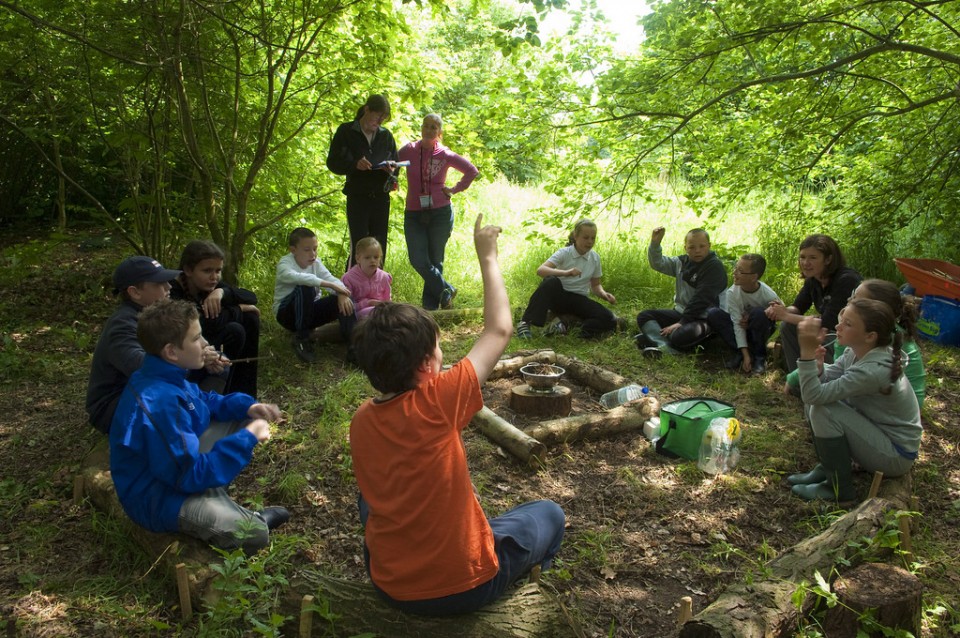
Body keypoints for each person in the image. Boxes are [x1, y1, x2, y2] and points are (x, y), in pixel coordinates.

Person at [349, 214, 565, 616]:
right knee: (548, 513)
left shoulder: (362, 419)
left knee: (371, 494)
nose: (443, 355)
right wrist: (488, 255)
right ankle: (518, 594)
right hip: (461, 587)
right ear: (425, 367)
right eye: (438, 349)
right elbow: (499, 330)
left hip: (388, 582)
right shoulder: (438, 400)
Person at [109, 299, 290, 554]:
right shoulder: (160, 402)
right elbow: (188, 474)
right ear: (171, 351)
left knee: (242, 417)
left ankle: (214, 498)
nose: (205, 343)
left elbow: (204, 402)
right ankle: (242, 516)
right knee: (254, 535)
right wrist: (249, 437)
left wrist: (247, 407)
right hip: (157, 499)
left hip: (173, 473)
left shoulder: (166, 374)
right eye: (196, 338)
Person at [787, 299, 922, 502]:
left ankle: (838, 490)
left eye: (848, 324)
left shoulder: (873, 370)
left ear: (870, 336)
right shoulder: (856, 352)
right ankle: (828, 468)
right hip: (878, 435)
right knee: (818, 403)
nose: (837, 326)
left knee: (823, 409)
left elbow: (814, 395)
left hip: (896, 454)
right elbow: (827, 381)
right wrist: (819, 367)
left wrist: (806, 354)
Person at [86, 255, 226, 434]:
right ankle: (190, 427)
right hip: (117, 404)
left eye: (167, 281)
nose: (168, 287)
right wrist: (194, 358)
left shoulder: (158, 315)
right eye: (159, 283)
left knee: (221, 364)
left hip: (148, 389)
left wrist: (205, 352)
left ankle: (197, 417)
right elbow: (141, 368)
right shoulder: (123, 325)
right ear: (135, 292)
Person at [784, 278, 926, 407]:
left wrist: (807, 355)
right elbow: (840, 368)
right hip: (873, 396)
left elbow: (837, 380)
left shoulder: (881, 343)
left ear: (874, 309)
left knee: (821, 406)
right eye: (852, 295)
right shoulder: (867, 334)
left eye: (856, 300)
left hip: (888, 413)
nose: (849, 300)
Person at [398, 113, 479, 310]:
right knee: (418, 259)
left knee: (436, 259)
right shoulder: (409, 150)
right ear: (421, 128)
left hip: (440, 212)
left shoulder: (445, 154)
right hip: (414, 212)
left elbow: (471, 171)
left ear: (439, 133)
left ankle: (430, 310)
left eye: (434, 127)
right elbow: (392, 164)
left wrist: (454, 189)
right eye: (426, 125)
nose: (429, 129)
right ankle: (446, 290)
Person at [171, 240, 260, 397]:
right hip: (186, 351)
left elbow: (251, 297)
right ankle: (221, 393)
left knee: (250, 318)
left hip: (208, 338)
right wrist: (239, 308)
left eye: (218, 271)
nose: (214, 277)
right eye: (207, 271)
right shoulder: (173, 291)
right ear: (188, 270)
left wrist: (221, 293)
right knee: (235, 330)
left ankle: (246, 394)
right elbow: (206, 322)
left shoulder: (211, 285)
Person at [765, 234, 861, 373]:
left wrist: (785, 315)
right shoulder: (813, 279)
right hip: (831, 331)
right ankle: (798, 379)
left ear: (828, 259)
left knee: (790, 323)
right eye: (802, 257)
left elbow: (828, 321)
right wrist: (780, 310)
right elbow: (798, 307)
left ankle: (826, 379)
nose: (805, 263)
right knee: (788, 325)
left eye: (813, 258)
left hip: (849, 337)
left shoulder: (846, 280)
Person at [514, 218, 619, 339]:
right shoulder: (565, 253)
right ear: (575, 236)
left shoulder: (595, 258)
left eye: (593, 238)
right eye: (586, 237)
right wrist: (566, 273)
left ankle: (573, 328)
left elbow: (595, 285)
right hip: (559, 296)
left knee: (609, 318)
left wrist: (604, 294)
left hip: (579, 299)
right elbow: (541, 270)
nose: (590, 242)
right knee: (550, 281)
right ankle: (525, 323)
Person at [326, 94, 398, 269]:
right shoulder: (346, 132)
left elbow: (396, 163)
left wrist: (391, 170)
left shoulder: (385, 135)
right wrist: (354, 165)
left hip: (381, 197)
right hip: (357, 196)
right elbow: (333, 162)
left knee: (379, 244)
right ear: (367, 110)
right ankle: (353, 288)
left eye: (383, 118)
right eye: (377, 116)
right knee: (359, 243)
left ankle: (377, 288)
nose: (379, 121)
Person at [635, 227, 727, 358]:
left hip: (706, 318)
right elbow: (658, 263)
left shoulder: (714, 267)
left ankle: (654, 339)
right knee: (645, 316)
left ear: (709, 246)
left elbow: (702, 299)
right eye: (692, 247)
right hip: (682, 313)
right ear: (686, 248)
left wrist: (681, 323)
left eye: (702, 246)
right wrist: (655, 244)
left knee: (678, 336)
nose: (697, 251)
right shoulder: (681, 262)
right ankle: (664, 346)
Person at [273, 227, 357, 363]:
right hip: (287, 315)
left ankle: (354, 347)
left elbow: (331, 279)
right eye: (307, 250)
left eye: (315, 248)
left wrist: (341, 293)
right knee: (305, 287)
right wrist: (329, 285)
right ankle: (301, 339)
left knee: (344, 299)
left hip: (309, 313)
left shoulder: (316, 264)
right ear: (293, 250)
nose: (313, 254)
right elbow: (297, 277)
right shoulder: (285, 263)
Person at [706, 253, 781, 374]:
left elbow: (782, 313)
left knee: (758, 313)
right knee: (713, 313)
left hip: (759, 329)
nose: (735, 272)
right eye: (735, 268)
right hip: (741, 328)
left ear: (753, 277)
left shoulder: (768, 294)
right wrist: (745, 354)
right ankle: (741, 352)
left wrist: (767, 312)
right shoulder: (732, 293)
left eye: (740, 271)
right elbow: (737, 323)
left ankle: (759, 358)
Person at [341, 237, 392, 319]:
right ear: (358, 258)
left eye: (376, 257)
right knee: (373, 313)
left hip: (382, 312)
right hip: (359, 315)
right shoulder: (349, 278)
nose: (372, 261)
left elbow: (388, 301)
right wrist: (368, 303)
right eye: (367, 257)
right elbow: (348, 306)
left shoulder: (384, 277)